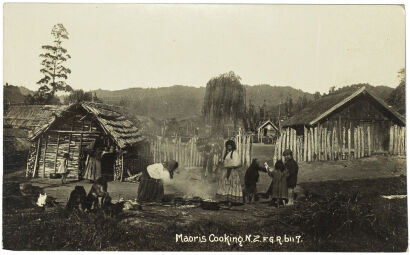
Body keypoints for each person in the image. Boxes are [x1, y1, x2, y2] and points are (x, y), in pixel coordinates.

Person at [216, 140, 243, 206]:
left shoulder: (234, 153)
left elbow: (237, 163)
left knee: (232, 185)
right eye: (228, 145)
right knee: (224, 185)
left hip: (232, 172)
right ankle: (225, 199)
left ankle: (231, 200)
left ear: (232, 146)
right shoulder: (226, 153)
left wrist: (230, 166)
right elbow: (223, 161)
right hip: (225, 171)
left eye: (230, 145)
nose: (229, 147)